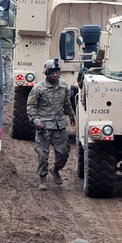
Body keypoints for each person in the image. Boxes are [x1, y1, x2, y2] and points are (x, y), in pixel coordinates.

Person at [26, 58, 75, 189]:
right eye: (52, 72)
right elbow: (31, 106)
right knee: (42, 154)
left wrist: (71, 115)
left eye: (57, 72)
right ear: (47, 73)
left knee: (64, 152)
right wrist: (36, 120)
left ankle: (56, 169)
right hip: (44, 126)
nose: (55, 74)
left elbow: (66, 103)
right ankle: (43, 179)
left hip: (59, 125)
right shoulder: (38, 88)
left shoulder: (63, 85)